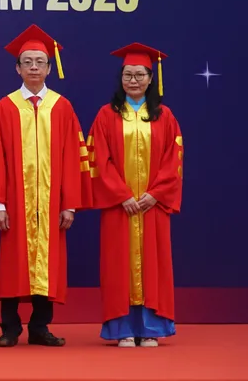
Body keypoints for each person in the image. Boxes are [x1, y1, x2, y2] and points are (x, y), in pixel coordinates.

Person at [0, 24, 91, 347]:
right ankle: (9, 328)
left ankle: (40, 327)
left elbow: (73, 157)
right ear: (17, 68)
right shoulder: (5, 107)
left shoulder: (62, 107)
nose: (33, 67)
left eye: (39, 62)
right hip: (14, 202)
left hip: (52, 202)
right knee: (12, 264)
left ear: (49, 68)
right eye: (27, 62)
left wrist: (69, 204)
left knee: (49, 262)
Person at [87, 43, 182, 348]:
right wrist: (121, 195)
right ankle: (122, 329)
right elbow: (99, 159)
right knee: (118, 266)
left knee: (154, 265)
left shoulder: (164, 116)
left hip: (153, 206)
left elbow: (174, 159)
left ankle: (151, 328)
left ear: (151, 78)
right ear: (121, 77)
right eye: (128, 75)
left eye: (140, 75)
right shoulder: (107, 115)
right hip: (120, 207)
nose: (134, 80)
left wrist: (155, 194)